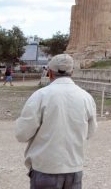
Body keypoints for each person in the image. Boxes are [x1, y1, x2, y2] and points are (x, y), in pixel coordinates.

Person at [14, 54, 98, 188]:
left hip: (45, 168)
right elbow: (90, 132)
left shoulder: (40, 95)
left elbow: (22, 134)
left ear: (50, 73)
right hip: (74, 167)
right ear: (72, 72)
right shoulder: (86, 97)